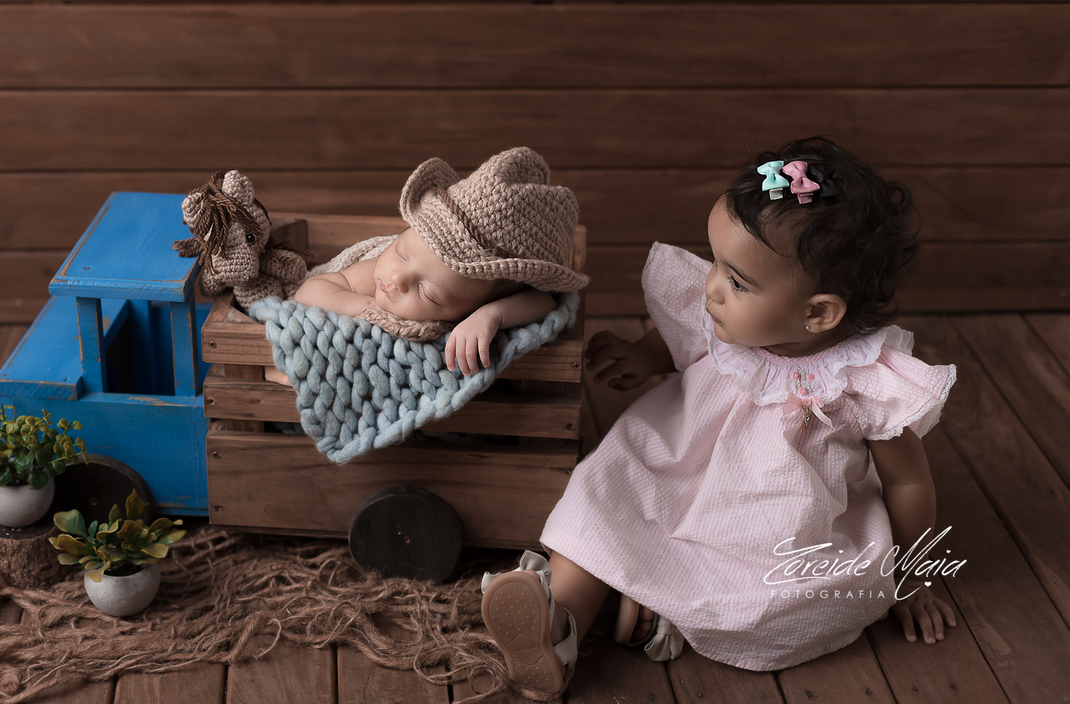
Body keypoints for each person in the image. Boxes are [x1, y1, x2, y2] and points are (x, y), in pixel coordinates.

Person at [479, 137, 958, 693]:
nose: (711, 288)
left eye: (737, 280)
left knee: (789, 593)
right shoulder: (730, 316)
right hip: (674, 461)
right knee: (604, 499)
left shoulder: (862, 380)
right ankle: (560, 621)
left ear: (818, 314)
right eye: (715, 262)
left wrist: (915, 577)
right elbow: (684, 338)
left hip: (770, 517)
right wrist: (644, 356)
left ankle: (660, 605)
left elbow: (907, 480)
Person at [266, 146, 588, 382]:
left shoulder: (486, 301)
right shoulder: (375, 274)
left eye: (428, 293)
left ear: (474, 304)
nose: (397, 276)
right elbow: (310, 290)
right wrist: (366, 309)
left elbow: (544, 301)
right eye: (401, 252)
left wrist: (491, 315)